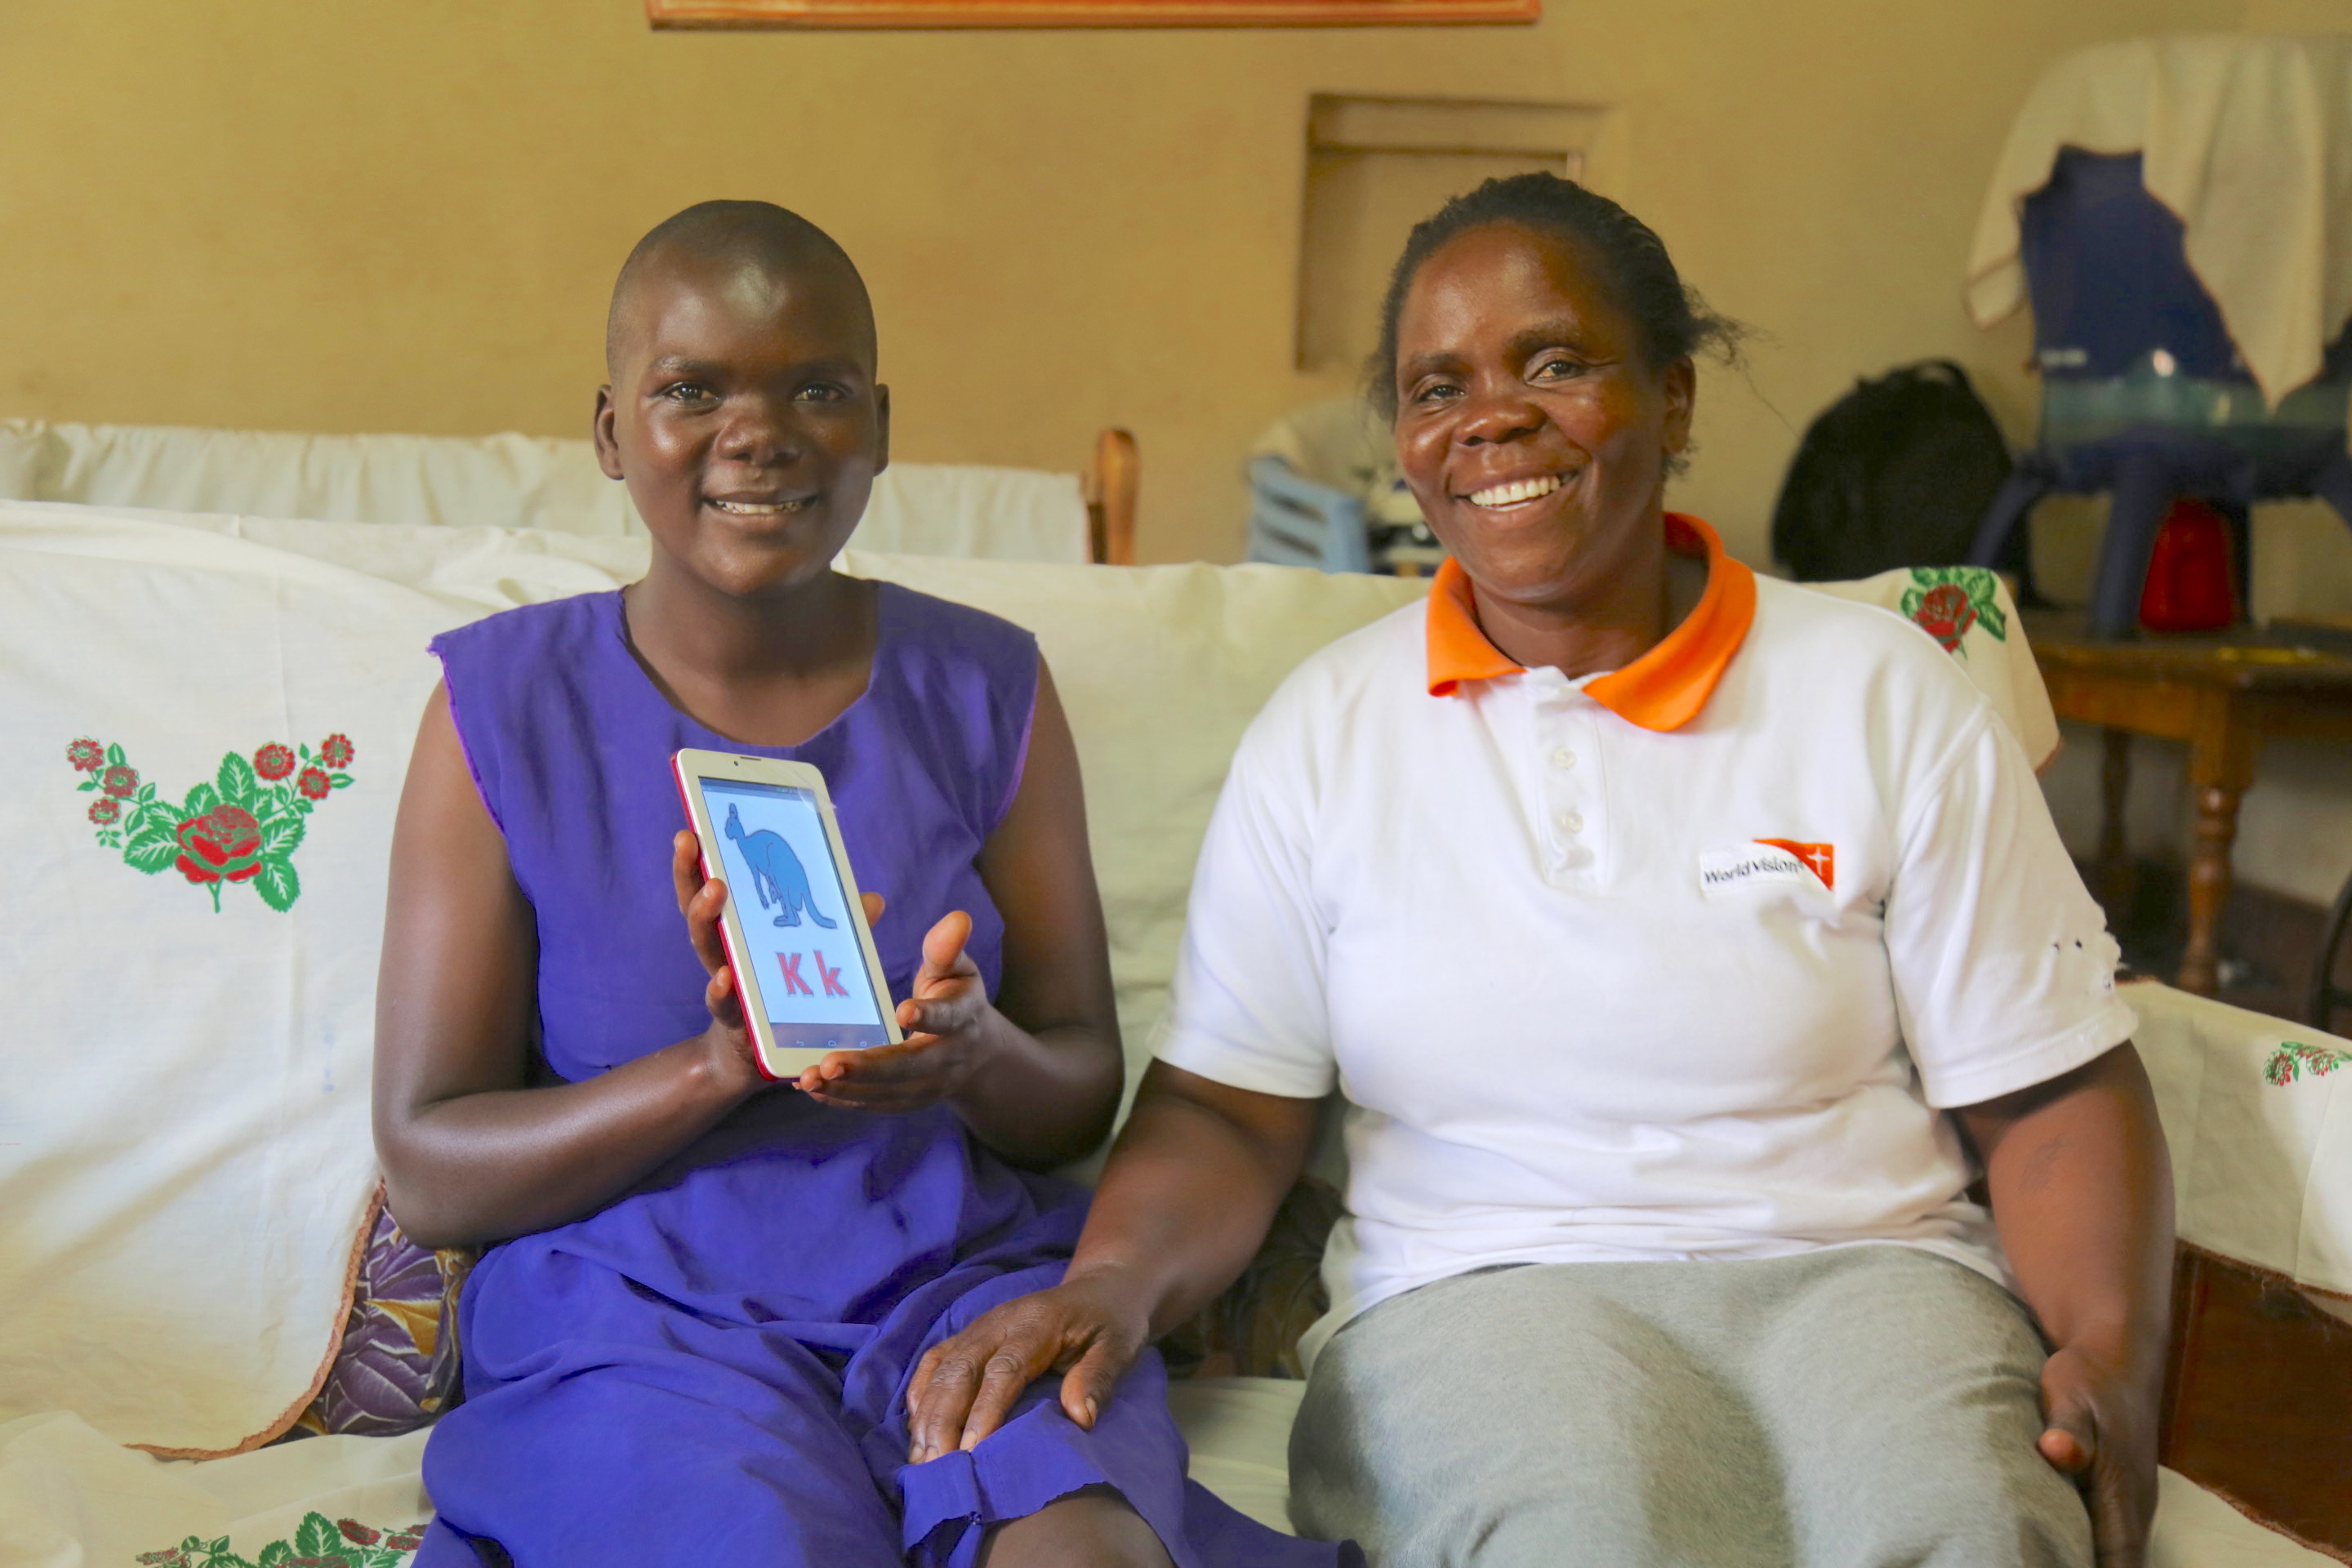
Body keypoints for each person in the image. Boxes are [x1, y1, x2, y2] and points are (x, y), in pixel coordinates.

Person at [906, 173, 2175, 1568]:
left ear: (1674, 401)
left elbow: (2050, 1085)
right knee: (1584, 1537)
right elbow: (1227, 1107)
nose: (1492, 418)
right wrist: (1113, 1286)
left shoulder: (1884, 692)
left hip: (1875, 1278)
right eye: (1437, 386)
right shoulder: (1328, 731)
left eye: (1555, 363)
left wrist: (2114, 1347)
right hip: (1482, 1291)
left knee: (1965, 1531)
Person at [372, 200, 1352, 1568]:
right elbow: (432, 1167)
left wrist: (972, 1054)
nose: (757, 433)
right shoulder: (499, 704)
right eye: (689, 390)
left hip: (962, 1291)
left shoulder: (987, 685)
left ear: (879, 427)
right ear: (611, 432)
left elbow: (1077, 1089)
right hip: (645, 1322)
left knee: (1082, 1556)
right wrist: (724, 1065)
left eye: (816, 389)